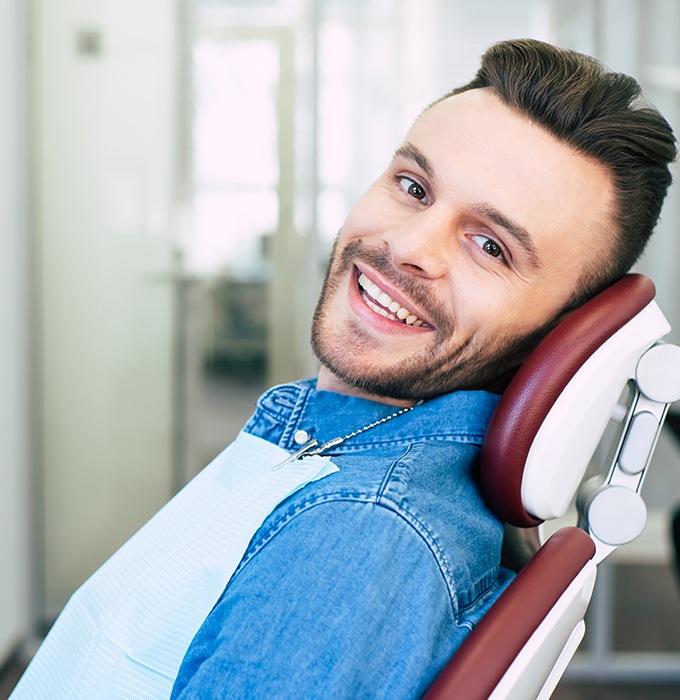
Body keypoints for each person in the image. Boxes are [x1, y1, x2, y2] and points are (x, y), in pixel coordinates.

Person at [11, 38, 676, 700]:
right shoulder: (339, 451)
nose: (408, 245)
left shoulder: (358, 529)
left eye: (490, 247)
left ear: (558, 335)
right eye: (414, 187)